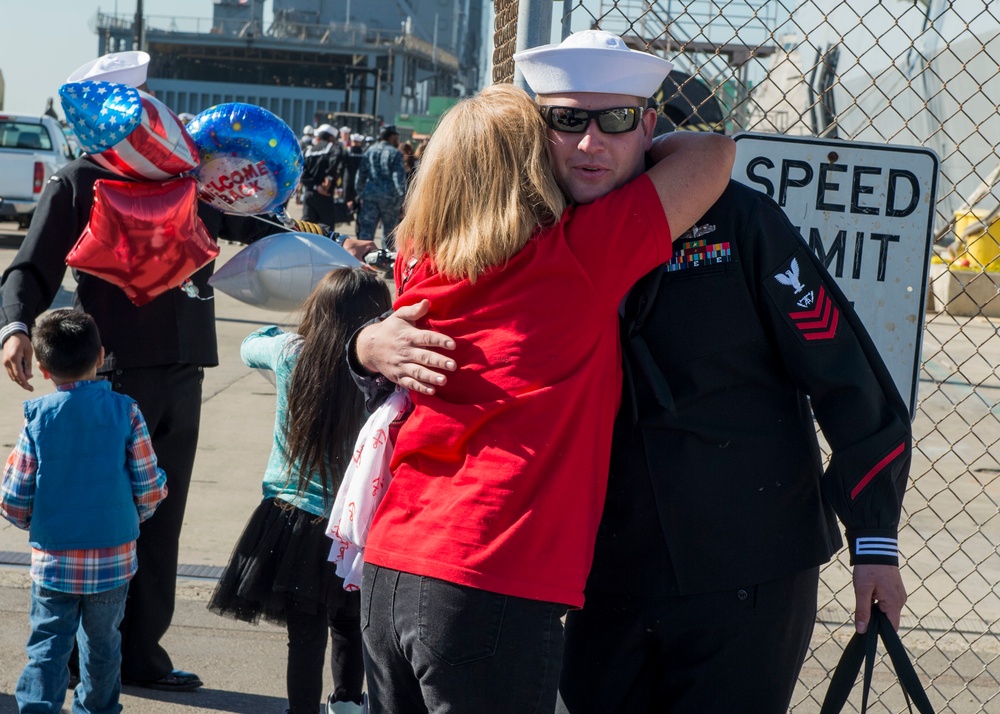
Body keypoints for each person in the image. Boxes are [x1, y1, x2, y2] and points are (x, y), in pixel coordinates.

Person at [350, 29, 913, 714]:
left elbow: (846, 373)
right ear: (535, 131)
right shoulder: (514, 233)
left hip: (743, 567)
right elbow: (427, 343)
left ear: (649, 123)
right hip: (596, 579)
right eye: (566, 120)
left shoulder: (737, 222)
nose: (593, 143)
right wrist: (366, 344)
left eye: (617, 119)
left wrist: (874, 540)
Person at [356, 80, 733, 713]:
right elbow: (713, 154)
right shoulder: (576, 260)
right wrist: (632, 132)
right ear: (532, 168)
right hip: (490, 576)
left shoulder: (419, 264)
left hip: (392, 565)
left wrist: (366, 340)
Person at [0, 50, 319, 693]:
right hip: (110, 374)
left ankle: (141, 650)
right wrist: (13, 328)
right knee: (103, 516)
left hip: (184, 371)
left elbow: (250, 222)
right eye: (138, 100)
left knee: (162, 518)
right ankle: (72, 655)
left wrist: (306, 238)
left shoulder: (190, 176)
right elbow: (31, 267)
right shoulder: (78, 181)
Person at [209, 269, 389, 714]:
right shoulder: (380, 372)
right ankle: (347, 704)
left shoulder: (291, 353)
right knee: (349, 624)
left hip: (293, 520)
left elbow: (251, 345)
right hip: (354, 524)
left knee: (303, 633)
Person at [1, 308, 168, 714]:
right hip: (113, 556)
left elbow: (13, 496)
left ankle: (37, 707)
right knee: (103, 645)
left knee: (47, 645)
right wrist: (135, 518)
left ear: (42, 368)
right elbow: (148, 485)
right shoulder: (126, 411)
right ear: (101, 356)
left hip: (54, 559)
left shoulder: (38, 418)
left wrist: (34, 522)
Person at [355, 125, 406, 251]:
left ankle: (362, 262)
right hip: (390, 199)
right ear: (392, 136)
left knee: (366, 232)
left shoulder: (370, 151)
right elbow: (398, 179)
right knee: (389, 234)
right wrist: (404, 199)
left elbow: (361, 175)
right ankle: (387, 266)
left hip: (370, 196)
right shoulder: (395, 153)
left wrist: (360, 192)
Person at [300, 124, 344, 227]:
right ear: (331, 137)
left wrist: (315, 186)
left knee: (307, 229)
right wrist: (329, 177)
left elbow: (301, 173)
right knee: (326, 230)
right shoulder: (332, 148)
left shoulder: (308, 151)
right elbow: (336, 159)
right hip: (325, 196)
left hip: (309, 195)